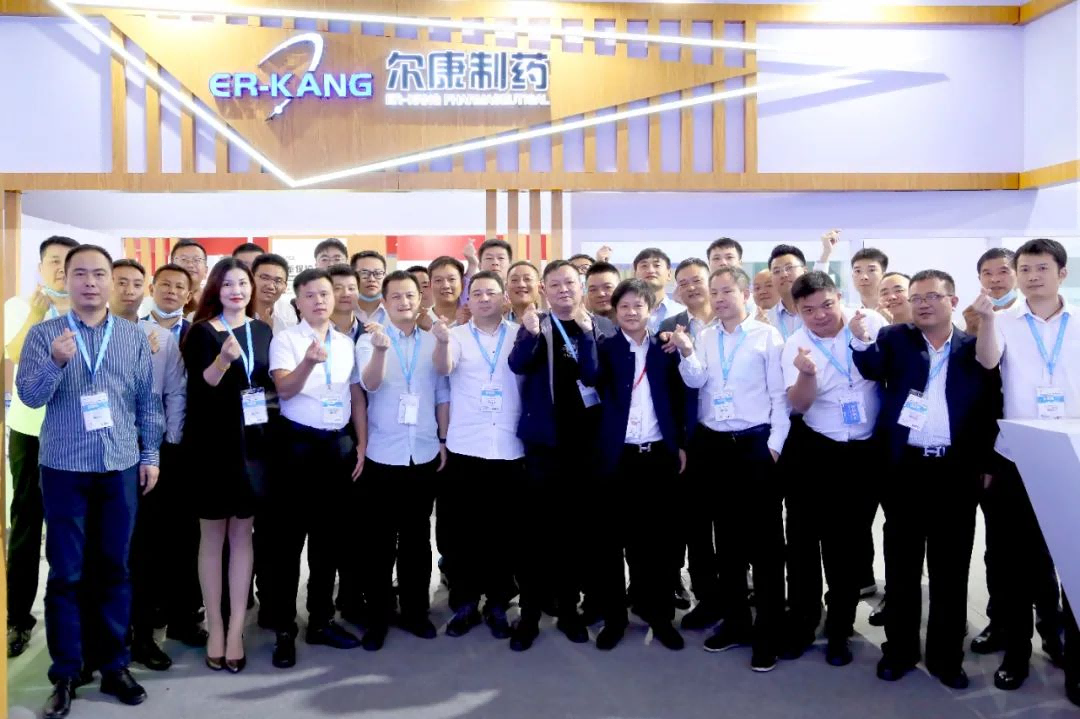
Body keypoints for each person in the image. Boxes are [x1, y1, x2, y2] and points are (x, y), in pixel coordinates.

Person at [17, 244, 163, 718]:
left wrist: (150, 454)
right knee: (66, 574)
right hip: (64, 467)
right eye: (80, 274)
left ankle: (114, 665)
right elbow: (29, 396)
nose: (90, 283)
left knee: (115, 568)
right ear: (66, 278)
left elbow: (146, 401)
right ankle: (65, 673)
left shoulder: (132, 336)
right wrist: (55, 362)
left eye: (99, 274)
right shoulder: (44, 335)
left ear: (110, 281)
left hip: (119, 465)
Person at [851, 270, 1000, 690]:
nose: (922, 304)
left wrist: (987, 463)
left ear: (953, 302)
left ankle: (946, 657)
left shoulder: (973, 348)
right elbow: (871, 368)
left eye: (932, 296)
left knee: (950, 570)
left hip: (955, 471)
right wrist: (860, 339)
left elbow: (989, 407)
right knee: (901, 566)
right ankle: (899, 650)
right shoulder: (895, 339)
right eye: (916, 298)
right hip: (905, 470)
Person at [675, 267, 789, 671]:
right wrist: (687, 353)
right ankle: (737, 622)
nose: (720, 298)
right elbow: (695, 382)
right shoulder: (706, 337)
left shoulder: (767, 337)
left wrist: (774, 447)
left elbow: (780, 397)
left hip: (755, 445)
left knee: (766, 545)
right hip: (714, 448)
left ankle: (768, 630)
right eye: (715, 292)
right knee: (727, 544)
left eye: (728, 291)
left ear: (745, 294)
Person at [974, 238, 1074, 692]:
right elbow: (987, 361)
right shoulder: (1003, 321)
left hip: (1071, 454)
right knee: (1017, 563)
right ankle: (1016, 652)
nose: (1033, 276)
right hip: (1018, 456)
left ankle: (1071, 656)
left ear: (1062, 273)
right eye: (1026, 269)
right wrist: (987, 320)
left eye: (1042, 268)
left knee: (1073, 564)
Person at [507, 260, 616, 651]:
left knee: (574, 535)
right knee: (536, 536)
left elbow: (596, 377)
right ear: (544, 289)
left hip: (585, 449)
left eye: (569, 282)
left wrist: (586, 334)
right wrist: (529, 334)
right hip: (543, 447)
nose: (563, 289)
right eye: (554, 284)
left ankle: (569, 611)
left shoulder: (602, 327)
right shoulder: (535, 323)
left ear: (581, 285)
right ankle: (530, 616)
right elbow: (517, 364)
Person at [780, 271, 886, 666]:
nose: (820, 315)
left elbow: (888, 372)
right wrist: (807, 374)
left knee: (848, 544)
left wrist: (863, 340)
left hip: (864, 452)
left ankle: (840, 628)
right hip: (815, 450)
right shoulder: (795, 344)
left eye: (826, 305)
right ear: (798, 311)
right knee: (803, 543)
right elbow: (799, 404)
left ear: (839, 296)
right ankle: (803, 623)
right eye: (808, 310)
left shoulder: (869, 322)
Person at [264, 269, 366, 668]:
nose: (320, 300)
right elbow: (285, 389)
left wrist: (361, 444)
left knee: (329, 540)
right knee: (288, 543)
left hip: (337, 445)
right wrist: (308, 362)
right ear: (298, 302)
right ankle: (284, 628)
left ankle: (321, 621)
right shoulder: (286, 340)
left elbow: (354, 394)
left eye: (325, 293)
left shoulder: (345, 342)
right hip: (296, 446)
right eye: (310, 295)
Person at [580, 279, 688, 652]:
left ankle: (660, 617)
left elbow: (680, 396)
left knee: (656, 544)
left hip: (657, 456)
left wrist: (680, 443)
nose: (630, 312)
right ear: (615, 311)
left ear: (651, 309)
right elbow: (589, 377)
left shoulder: (665, 347)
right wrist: (587, 336)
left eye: (638, 306)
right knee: (610, 543)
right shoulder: (605, 346)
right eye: (623, 306)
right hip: (616, 458)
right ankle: (615, 619)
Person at [182, 258, 274, 674]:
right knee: (211, 534)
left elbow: (268, 387)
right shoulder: (202, 331)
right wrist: (222, 359)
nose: (237, 290)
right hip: (211, 445)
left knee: (242, 534)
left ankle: (236, 628)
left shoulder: (263, 330)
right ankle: (215, 627)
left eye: (243, 283)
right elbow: (202, 386)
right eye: (228, 284)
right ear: (215, 290)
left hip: (253, 444)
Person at [354, 270, 449, 650]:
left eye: (410, 295)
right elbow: (369, 384)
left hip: (423, 452)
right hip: (383, 454)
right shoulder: (370, 340)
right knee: (378, 544)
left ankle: (415, 612)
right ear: (385, 302)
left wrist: (443, 440)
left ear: (419, 299)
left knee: (416, 540)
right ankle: (378, 617)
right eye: (396, 296)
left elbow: (442, 391)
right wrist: (380, 351)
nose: (404, 302)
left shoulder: (433, 341)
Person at [109, 259, 197, 670]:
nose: (128, 290)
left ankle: (144, 634)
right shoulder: (90, 336)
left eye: (134, 283)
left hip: (154, 455)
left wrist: (169, 444)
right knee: (112, 549)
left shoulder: (160, 338)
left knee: (152, 546)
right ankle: (109, 638)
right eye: (120, 282)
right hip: (105, 456)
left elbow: (175, 393)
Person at [432, 271, 521, 640]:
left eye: (491, 292)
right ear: (468, 300)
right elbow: (444, 368)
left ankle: (499, 602)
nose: (484, 298)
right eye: (477, 293)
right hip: (466, 446)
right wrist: (440, 341)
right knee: (462, 531)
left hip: (510, 447)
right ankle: (465, 601)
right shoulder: (455, 336)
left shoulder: (520, 335)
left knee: (504, 531)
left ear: (504, 298)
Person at [4, 234, 77, 659]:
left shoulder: (87, 308)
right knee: (27, 525)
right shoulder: (18, 306)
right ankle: (17, 618)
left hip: (74, 434)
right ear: (40, 267)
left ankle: (69, 620)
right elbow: (14, 354)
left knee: (70, 528)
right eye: (53, 260)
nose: (61, 268)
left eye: (68, 260)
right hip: (30, 430)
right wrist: (36, 312)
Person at [963, 247, 1019, 337]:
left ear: (1019, 275)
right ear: (980, 279)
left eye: (1003, 272)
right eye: (987, 273)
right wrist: (971, 332)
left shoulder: (1034, 312)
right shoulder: (970, 318)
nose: (994, 279)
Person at [633, 248, 686, 333]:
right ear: (635, 275)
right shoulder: (625, 313)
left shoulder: (682, 312)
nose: (650, 270)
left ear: (669, 274)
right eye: (644, 266)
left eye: (657, 265)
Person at [142, 263, 194, 344]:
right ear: (152, 290)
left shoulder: (198, 333)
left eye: (179, 287)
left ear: (188, 297)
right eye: (165, 284)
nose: (172, 291)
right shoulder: (132, 329)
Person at [767, 244, 808, 342]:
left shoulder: (821, 311)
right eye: (777, 271)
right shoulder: (767, 319)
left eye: (789, 268)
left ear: (805, 271)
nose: (783, 274)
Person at [251, 254, 296, 335]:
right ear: (250, 279)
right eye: (264, 278)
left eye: (278, 281)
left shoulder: (287, 312)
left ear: (285, 287)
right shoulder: (236, 309)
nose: (271, 286)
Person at [170, 239, 209, 314]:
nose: (190, 265)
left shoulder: (218, 301)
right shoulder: (160, 301)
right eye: (183, 259)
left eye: (196, 260)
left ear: (206, 270)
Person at [351, 250, 389, 325]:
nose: (372, 279)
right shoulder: (343, 309)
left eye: (378, 273)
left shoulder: (396, 310)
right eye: (364, 273)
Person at [429, 255, 467, 325]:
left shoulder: (474, 321)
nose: (446, 286)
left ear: (462, 284)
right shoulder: (418, 323)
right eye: (438, 280)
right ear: (430, 284)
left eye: (452, 279)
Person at [329, 264, 363, 341]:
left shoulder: (370, 333)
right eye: (338, 288)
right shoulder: (314, 332)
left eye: (351, 288)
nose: (346, 294)